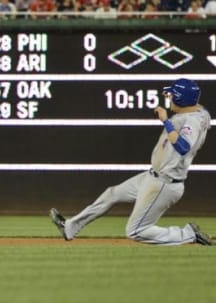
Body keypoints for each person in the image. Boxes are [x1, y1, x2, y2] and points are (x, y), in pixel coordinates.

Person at [50, 78, 213, 246]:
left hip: (165, 183)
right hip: (152, 177)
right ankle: (70, 227)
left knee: (135, 231)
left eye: (172, 95)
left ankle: (188, 234)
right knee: (112, 194)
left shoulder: (192, 121)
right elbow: (200, 110)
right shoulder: (197, 113)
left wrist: (165, 121)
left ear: (180, 98)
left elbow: (183, 147)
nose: (169, 97)